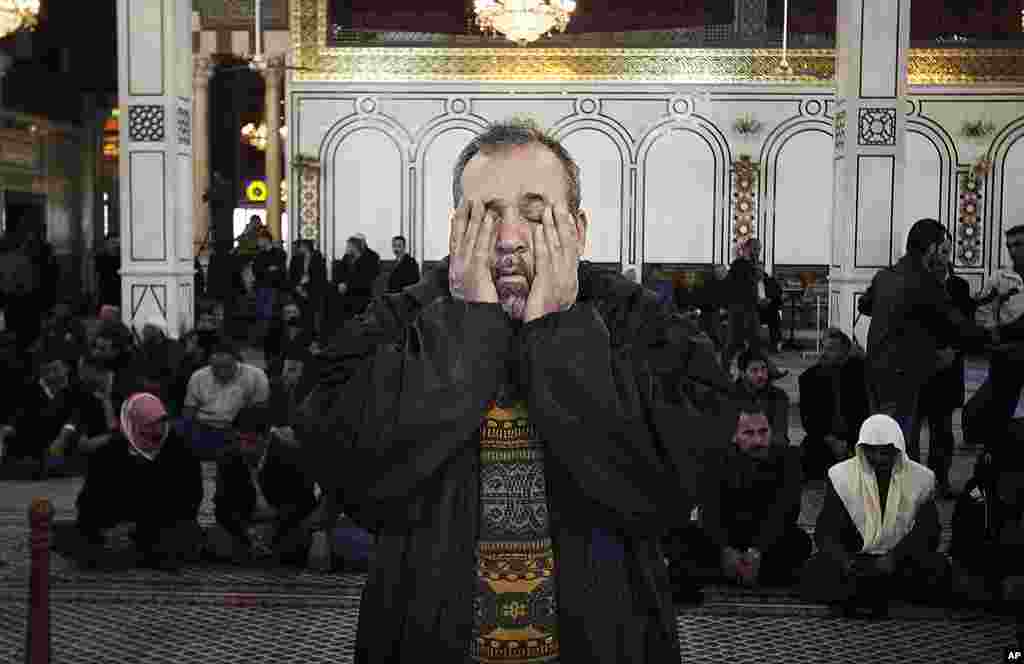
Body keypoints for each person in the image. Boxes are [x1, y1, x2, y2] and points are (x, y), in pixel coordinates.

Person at [296, 119, 734, 662]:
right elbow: (343, 454)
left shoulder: (635, 318)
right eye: (485, 216)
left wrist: (559, 331)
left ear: (578, 229)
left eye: (534, 214)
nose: (507, 239)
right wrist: (467, 324)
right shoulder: (403, 316)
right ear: (456, 229)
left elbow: (674, 478)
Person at [858, 218, 993, 461]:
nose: (945, 258)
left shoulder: (885, 276)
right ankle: (899, 495)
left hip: (875, 371)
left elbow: (865, 304)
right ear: (931, 248)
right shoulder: (923, 281)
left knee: (883, 437)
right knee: (900, 444)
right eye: (943, 250)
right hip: (902, 375)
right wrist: (995, 335)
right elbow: (958, 326)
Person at [800, 414, 949, 616]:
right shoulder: (841, 476)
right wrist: (847, 561)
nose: (879, 458)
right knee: (813, 571)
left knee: (939, 569)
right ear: (862, 450)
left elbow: (929, 532)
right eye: (872, 451)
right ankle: (874, 591)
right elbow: (826, 532)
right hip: (855, 563)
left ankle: (864, 593)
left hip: (900, 563)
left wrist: (894, 559)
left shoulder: (921, 478)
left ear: (898, 449)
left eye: (886, 451)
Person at [664, 403, 809, 595]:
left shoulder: (788, 458)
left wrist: (757, 550)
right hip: (725, 540)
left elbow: (785, 511)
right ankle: (745, 573)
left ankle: (732, 574)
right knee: (679, 538)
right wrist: (726, 550)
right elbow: (710, 510)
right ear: (734, 436)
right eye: (749, 433)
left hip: (768, 542)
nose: (758, 440)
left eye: (763, 432)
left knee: (799, 543)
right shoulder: (715, 458)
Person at [73, 393, 204, 571]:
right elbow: (88, 500)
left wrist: (136, 529)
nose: (157, 431)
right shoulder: (107, 453)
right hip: (116, 525)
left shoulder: (181, 451)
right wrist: (111, 528)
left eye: (160, 423)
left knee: (182, 537)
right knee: (77, 536)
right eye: (148, 428)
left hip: (158, 527)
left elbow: (188, 502)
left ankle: (129, 553)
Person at [210, 405, 318, 565]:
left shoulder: (290, 456)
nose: (244, 448)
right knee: (215, 543)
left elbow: (303, 503)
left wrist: (274, 530)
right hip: (246, 524)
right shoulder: (229, 456)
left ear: (267, 437)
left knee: (298, 544)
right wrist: (246, 532)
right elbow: (222, 506)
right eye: (239, 440)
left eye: (251, 441)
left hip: (282, 524)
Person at [917, 254, 975, 497]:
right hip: (920, 367)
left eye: (941, 265)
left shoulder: (959, 287)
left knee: (942, 431)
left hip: (948, 369)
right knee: (912, 430)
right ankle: (914, 482)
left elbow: (967, 325)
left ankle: (940, 480)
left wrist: (954, 350)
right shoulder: (916, 287)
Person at [798, 328, 870, 483]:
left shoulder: (859, 375)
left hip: (854, 440)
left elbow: (864, 414)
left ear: (845, 352)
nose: (824, 353)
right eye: (823, 347)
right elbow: (808, 420)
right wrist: (831, 441)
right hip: (824, 439)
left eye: (831, 349)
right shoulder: (808, 378)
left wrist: (850, 443)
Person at [733, 348, 790, 448]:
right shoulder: (730, 396)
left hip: (770, 453)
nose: (760, 375)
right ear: (742, 374)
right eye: (754, 370)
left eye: (763, 369)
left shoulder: (778, 396)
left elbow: (780, 436)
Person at [251, 227, 288, 332]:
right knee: (260, 314)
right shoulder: (259, 255)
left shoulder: (279, 253)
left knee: (269, 314)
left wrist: (265, 270)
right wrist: (268, 269)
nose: (258, 242)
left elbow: (278, 271)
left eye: (259, 240)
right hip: (260, 287)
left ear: (266, 239)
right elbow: (256, 271)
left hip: (274, 287)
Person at [288, 239, 327, 332]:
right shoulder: (296, 259)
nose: (298, 249)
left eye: (300, 246)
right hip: (298, 289)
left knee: (312, 313)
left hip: (313, 289)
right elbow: (292, 276)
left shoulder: (317, 258)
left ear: (306, 247)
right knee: (300, 312)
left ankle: (312, 334)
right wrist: (298, 287)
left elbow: (321, 276)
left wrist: (308, 287)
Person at [755, 262, 783, 352]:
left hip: (769, 308)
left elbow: (778, 295)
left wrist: (770, 300)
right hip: (755, 309)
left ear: (763, 270)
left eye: (760, 270)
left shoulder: (771, 281)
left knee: (774, 315)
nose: (759, 272)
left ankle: (775, 344)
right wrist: (756, 301)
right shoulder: (749, 281)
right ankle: (753, 345)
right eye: (757, 270)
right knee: (749, 316)